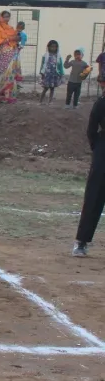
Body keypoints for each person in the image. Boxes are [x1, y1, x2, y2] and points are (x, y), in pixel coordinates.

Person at [73, 89, 105, 257]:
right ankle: (81, 242)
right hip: (103, 152)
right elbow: (91, 129)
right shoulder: (101, 102)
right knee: (94, 197)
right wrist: (98, 149)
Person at [0, 10, 20, 103]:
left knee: (10, 74)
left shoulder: (11, 29)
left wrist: (17, 38)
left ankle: (9, 97)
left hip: (12, 53)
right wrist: (10, 39)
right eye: (5, 16)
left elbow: (16, 39)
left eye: (8, 16)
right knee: (2, 73)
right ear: (1, 17)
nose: (6, 18)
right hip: (3, 53)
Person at [39, 40, 65, 104]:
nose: (53, 48)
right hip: (47, 75)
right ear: (48, 47)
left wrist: (61, 73)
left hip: (54, 75)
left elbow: (60, 65)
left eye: (55, 47)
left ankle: (50, 101)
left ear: (57, 48)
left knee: (52, 88)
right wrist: (41, 73)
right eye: (51, 47)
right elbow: (42, 64)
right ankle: (40, 101)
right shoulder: (45, 55)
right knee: (45, 88)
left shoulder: (58, 56)